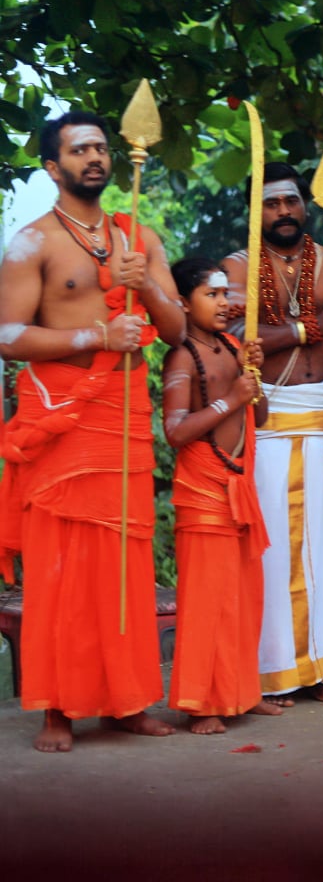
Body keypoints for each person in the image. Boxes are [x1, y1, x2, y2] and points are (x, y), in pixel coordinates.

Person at [0, 111, 186, 752]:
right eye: (80, 150)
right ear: (53, 167)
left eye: (101, 147)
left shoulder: (139, 237)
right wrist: (98, 334)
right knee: (59, 571)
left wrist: (146, 286)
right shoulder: (32, 242)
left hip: (122, 416)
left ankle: (125, 703)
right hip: (61, 418)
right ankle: (56, 708)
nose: (96, 158)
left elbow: (176, 329)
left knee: (123, 567)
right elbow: (7, 336)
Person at [222, 163, 323, 705]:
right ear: (254, 212)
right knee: (273, 551)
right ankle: (277, 672)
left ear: (305, 205)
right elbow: (234, 333)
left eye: (290, 201)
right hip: (269, 416)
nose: (283, 212)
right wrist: (307, 329)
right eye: (271, 204)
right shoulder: (237, 268)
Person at [162, 258, 280, 735]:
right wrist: (231, 397)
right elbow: (175, 432)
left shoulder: (233, 346)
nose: (223, 302)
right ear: (183, 303)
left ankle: (242, 693)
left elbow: (261, 417)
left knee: (244, 598)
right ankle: (201, 703)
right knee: (207, 602)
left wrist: (254, 373)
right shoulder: (181, 356)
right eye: (211, 294)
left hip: (239, 488)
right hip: (202, 489)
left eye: (225, 293)